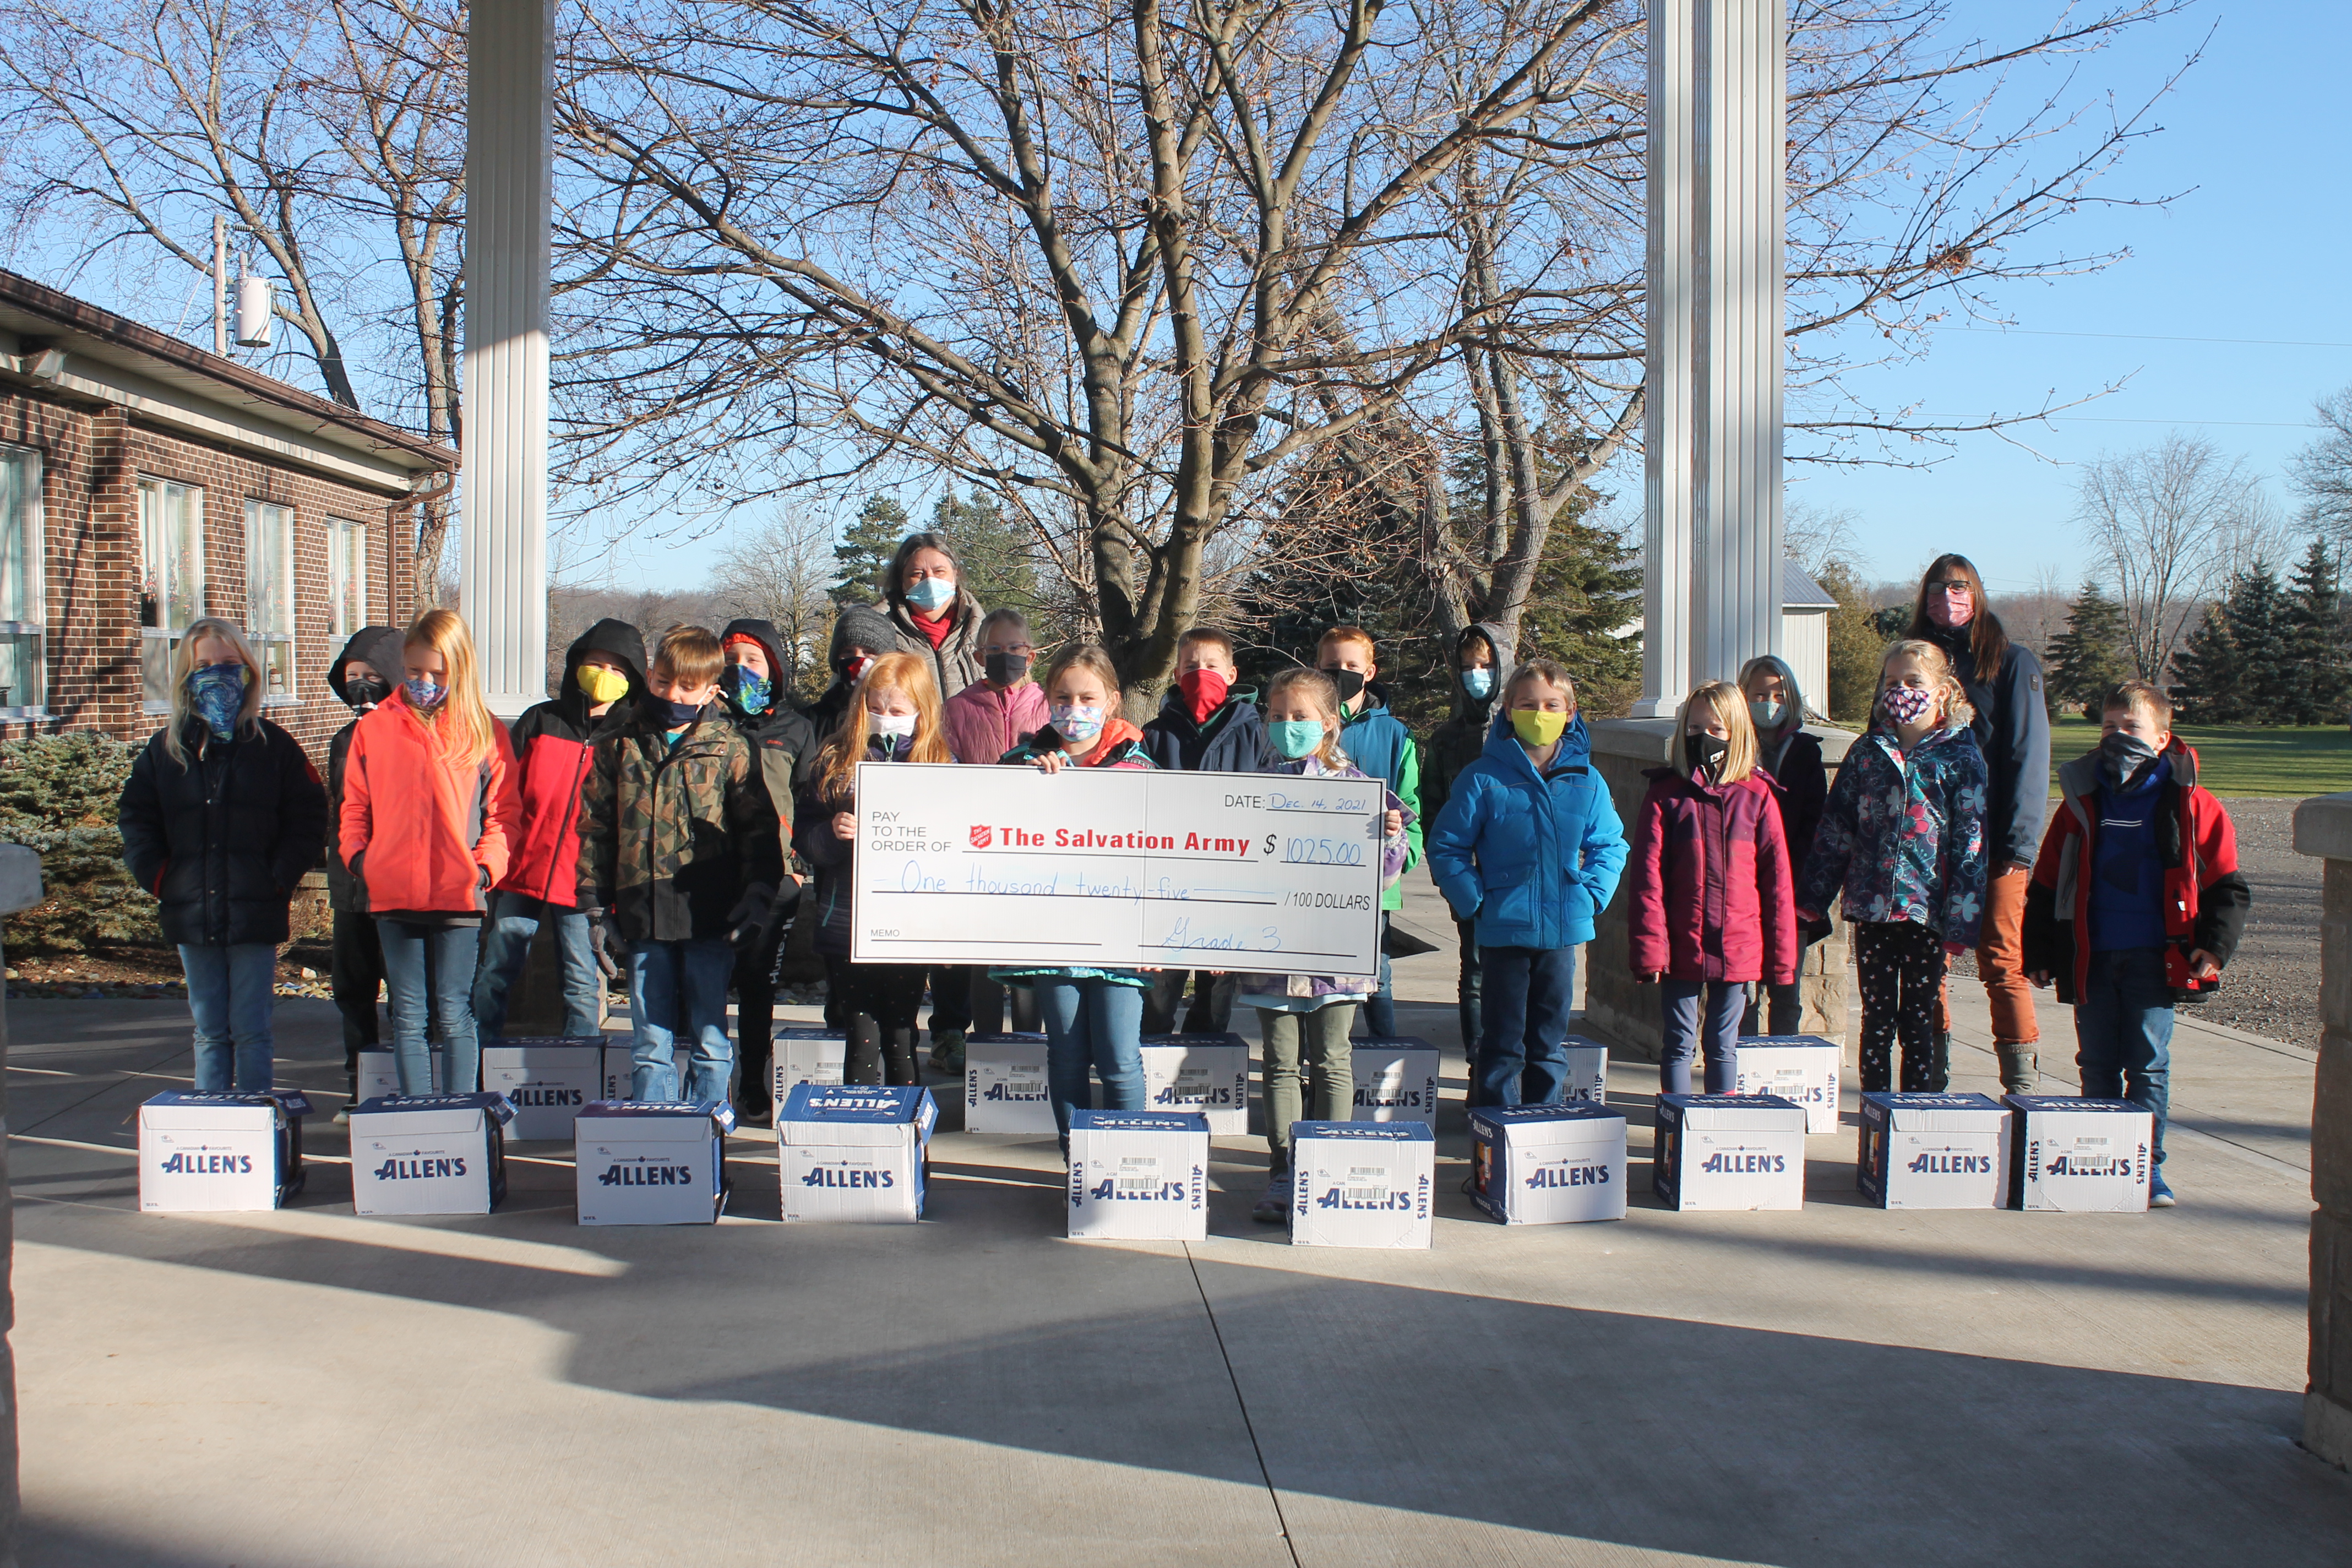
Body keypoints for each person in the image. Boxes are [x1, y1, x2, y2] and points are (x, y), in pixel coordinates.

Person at [2023, 680, 2248, 1208]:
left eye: (2132, 727)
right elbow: (2048, 882)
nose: (2118, 736)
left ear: (2163, 738)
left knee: (2147, 1064)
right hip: (2092, 956)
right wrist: (2040, 952)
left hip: (2156, 958)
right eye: (2109, 726)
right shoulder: (2081, 802)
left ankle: (2146, 1167)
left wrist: (2215, 945)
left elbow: (2226, 884)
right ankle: (2100, 1160)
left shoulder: (2193, 804)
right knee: (2097, 1062)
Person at [119, 618, 328, 1094]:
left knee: (252, 1030)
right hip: (192, 912)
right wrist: (161, 877)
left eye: (230, 663)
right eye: (204, 665)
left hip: (256, 911)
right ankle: (211, 1119)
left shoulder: (275, 747)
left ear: (249, 670)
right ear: (186, 676)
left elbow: (308, 817)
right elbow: (136, 819)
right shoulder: (165, 751)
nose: (218, 674)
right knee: (211, 1032)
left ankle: (255, 1119)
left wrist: (278, 876)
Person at [577, 624, 782, 1103]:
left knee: (710, 1037)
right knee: (650, 1042)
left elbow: (758, 831)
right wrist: (595, 905)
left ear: (710, 690)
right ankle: (655, 1128)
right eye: (664, 681)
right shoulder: (619, 744)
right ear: (650, 676)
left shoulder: (731, 747)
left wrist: (757, 895)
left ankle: (707, 1126)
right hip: (642, 910)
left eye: (687, 687)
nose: (673, 695)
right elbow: (596, 828)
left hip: (709, 913)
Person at [1239, 667, 1413, 1221]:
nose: (1288, 725)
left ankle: (1328, 1165)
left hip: (1337, 957)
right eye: (1278, 716)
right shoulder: (1249, 791)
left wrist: (1390, 838)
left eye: (1300, 716)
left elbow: (1385, 876)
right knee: (1280, 1063)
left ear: (1329, 722)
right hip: (1272, 955)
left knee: (1333, 1058)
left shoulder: (1360, 790)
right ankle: (1284, 1171)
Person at [1427, 658, 1628, 1109]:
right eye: (1528, 704)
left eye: (1552, 705)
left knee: (1548, 1044)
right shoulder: (1483, 778)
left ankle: (1542, 1125)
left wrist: (1592, 894)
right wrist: (1474, 901)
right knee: (1502, 1043)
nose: (1540, 714)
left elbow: (1610, 844)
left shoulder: (1587, 781)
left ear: (1570, 712)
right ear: (1509, 711)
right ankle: (1493, 1131)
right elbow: (1447, 846)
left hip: (1562, 935)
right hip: (1503, 932)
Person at [339, 608, 520, 1097]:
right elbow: (354, 806)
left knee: (455, 1011)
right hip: (393, 892)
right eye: (414, 670)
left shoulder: (483, 731)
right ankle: (418, 1116)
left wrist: (485, 869)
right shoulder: (375, 729)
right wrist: (361, 860)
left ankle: (460, 1114)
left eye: (437, 673)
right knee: (408, 1016)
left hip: (458, 895)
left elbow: (504, 813)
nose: (424, 682)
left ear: (459, 669)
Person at [1796, 640, 1989, 1095]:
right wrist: (1812, 898)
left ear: (1942, 691)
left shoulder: (1961, 757)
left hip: (1927, 912)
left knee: (1919, 1019)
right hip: (1872, 907)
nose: (1901, 690)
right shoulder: (1868, 751)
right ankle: (1875, 1111)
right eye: (1893, 682)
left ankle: (1916, 1110)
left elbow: (1972, 842)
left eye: (1914, 681)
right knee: (1877, 1019)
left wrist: (1961, 920)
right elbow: (1837, 828)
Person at [988, 644, 1156, 1152]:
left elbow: (1163, 858)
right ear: (1047, 698)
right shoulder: (1020, 764)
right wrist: (1029, 785)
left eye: (1088, 698)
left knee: (1120, 1058)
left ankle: (1128, 1162)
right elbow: (991, 836)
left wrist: (1159, 932)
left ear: (1113, 701)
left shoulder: (1142, 769)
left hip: (1122, 941)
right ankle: (1077, 1163)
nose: (1075, 708)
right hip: (1053, 939)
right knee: (1065, 1056)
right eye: (1063, 697)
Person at [1908, 553, 2050, 1093]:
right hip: (1928, 844)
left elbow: (2027, 757)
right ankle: (1929, 1078)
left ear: (1977, 594)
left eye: (1959, 588)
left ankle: (2022, 1086)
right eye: (1936, 589)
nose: (1947, 599)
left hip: (1995, 846)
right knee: (1928, 964)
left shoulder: (2012, 664)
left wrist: (2018, 844)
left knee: (2000, 961)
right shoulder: (1914, 666)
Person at [471, 618, 645, 1044]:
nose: (604, 675)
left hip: (583, 883)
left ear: (633, 679)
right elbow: (503, 792)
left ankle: (579, 1068)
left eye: (617, 669)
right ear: (577, 665)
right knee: (496, 970)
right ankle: (478, 1057)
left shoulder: (633, 736)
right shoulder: (540, 719)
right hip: (521, 872)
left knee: (582, 981)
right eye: (596, 664)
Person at [1626, 682, 1798, 1096]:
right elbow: (1648, 881)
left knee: (1724, 1045)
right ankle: (1676, 1123)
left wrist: (1781, 962)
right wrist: (1651, 951)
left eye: (1717, 729)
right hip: (1681, 946)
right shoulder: (1665, 796)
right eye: (1695, 728)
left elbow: (1777, 885)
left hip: (1738, 947)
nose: (1704, 737)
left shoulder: (1758, 797)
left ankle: (1722, 1121)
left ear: (1737, 733)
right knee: (1678, 1043)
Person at [795, 651, 954, 1086]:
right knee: (860, 1035)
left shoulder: (941, 763)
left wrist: (947, 932)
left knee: (901, 1034)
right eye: (876, 707)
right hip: (847, 924)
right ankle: (859, 1120)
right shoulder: (835, 757)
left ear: (922, 710)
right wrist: (832, 832)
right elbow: (805, 838)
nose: (885, 719)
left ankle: (908, 1120)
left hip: (909, 928)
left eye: (897, 711)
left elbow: (955, 851)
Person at [1139, 627, 1271, 1036]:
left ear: (1231, 675)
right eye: (1191, 666)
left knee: (1216, 995)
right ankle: (1151, 1054)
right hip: (1167, 885)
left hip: (1230, 885)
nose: (1202, 673)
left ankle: (1206, 1060)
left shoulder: (1258, 734)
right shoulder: (1154, 735)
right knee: (1159, 991)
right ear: (1176, 675)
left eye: (1212, 666)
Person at [717, 618, 816, 1123]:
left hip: (776, 877)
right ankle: (706, 1085)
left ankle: (753, 1081)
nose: (741, 669)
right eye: (731, 660)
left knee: (758, 987)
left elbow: (809, 801)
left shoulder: (796, 728)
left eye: (753, 660)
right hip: (711, 872)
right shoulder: (706, 721)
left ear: (774, 667)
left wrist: (797, 868)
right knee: (707, 983)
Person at [943, 608, 1048, 1041]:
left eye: (1014, 648)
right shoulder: (957, 708)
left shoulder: (1049, 706)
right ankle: (985, 1047)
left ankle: (1030, 1044)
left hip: (1037, 846)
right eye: (995, 649)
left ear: (1031, 654)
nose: (1005, 656)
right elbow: (945, 771)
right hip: (981, 847)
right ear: (978, 655)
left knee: (1028, 953)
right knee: (983, 955)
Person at [1317, 624, 1423, 1037]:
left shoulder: (1396, 735)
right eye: (1331, 665)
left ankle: (1384, 1054)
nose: (1341, 673)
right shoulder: (1305, 725)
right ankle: (1316, 1059)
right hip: (1313, 876)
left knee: (1378, 974)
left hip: (1375, 883)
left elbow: (1412, 806)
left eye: (1351, 665)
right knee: (1317, 976)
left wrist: (1403, 853)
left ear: (1370, 672)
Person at [1419, 623, 1512, 1060]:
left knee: (1521, 977)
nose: (1477, 675)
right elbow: (1434, 813)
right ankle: (1479, 1063)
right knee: (1475, 973)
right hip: (1471, 883)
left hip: (1520, 882)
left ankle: (1513, 1064)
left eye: (1486, 666)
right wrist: (1452, 881)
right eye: (1468, 667)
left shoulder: (1524, 734)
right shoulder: (1446, 740)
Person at [323, 624, 404, 1118]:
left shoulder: (410, 737)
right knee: (353, 989)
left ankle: (405, 1082)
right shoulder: (343, 739)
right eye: (353, 676)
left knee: (405, 993)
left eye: (373, 676)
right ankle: (360, 1082)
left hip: (397, 886)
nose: (361, 686)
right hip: (351, 885)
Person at [1737, 654, 1828, 1036]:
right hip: (1742, 890)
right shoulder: (1734, 750)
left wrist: (1801, 885)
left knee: (1786, 990)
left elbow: (1816, 822)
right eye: (1759, 695)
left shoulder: (1805, 752)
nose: (1769, 703)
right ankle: (1738, 1063)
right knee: (1742, 993)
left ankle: (1782, 1062)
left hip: (1792, 890)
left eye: (1778, 695)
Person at [876, 530, 986, 700]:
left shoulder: (986, 633)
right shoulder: (877, 632)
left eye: (939, 571)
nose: (929, 580)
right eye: (917, 574)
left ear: (955, 574)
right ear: (901, 580)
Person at [805, 604, 899, 742]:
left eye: (868, 652)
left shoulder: (901, 719)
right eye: (848, 652)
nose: (857, 659)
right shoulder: (811, 720)